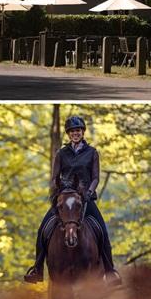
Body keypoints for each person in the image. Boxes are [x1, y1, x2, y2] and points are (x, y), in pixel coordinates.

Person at [24, 116, 122, 286]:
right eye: (72, 131)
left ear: (83, 132)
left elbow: (95, 177)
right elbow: (55, 177)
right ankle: (37, 269)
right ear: (68, 134)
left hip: (84, 198)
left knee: (102, 229)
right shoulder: (61, 153)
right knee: (43, 229)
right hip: (64, 198)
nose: (75, 133)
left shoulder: (92, 152)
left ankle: (110, 270)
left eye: (78, 130)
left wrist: (88, 192)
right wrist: (58, 193)